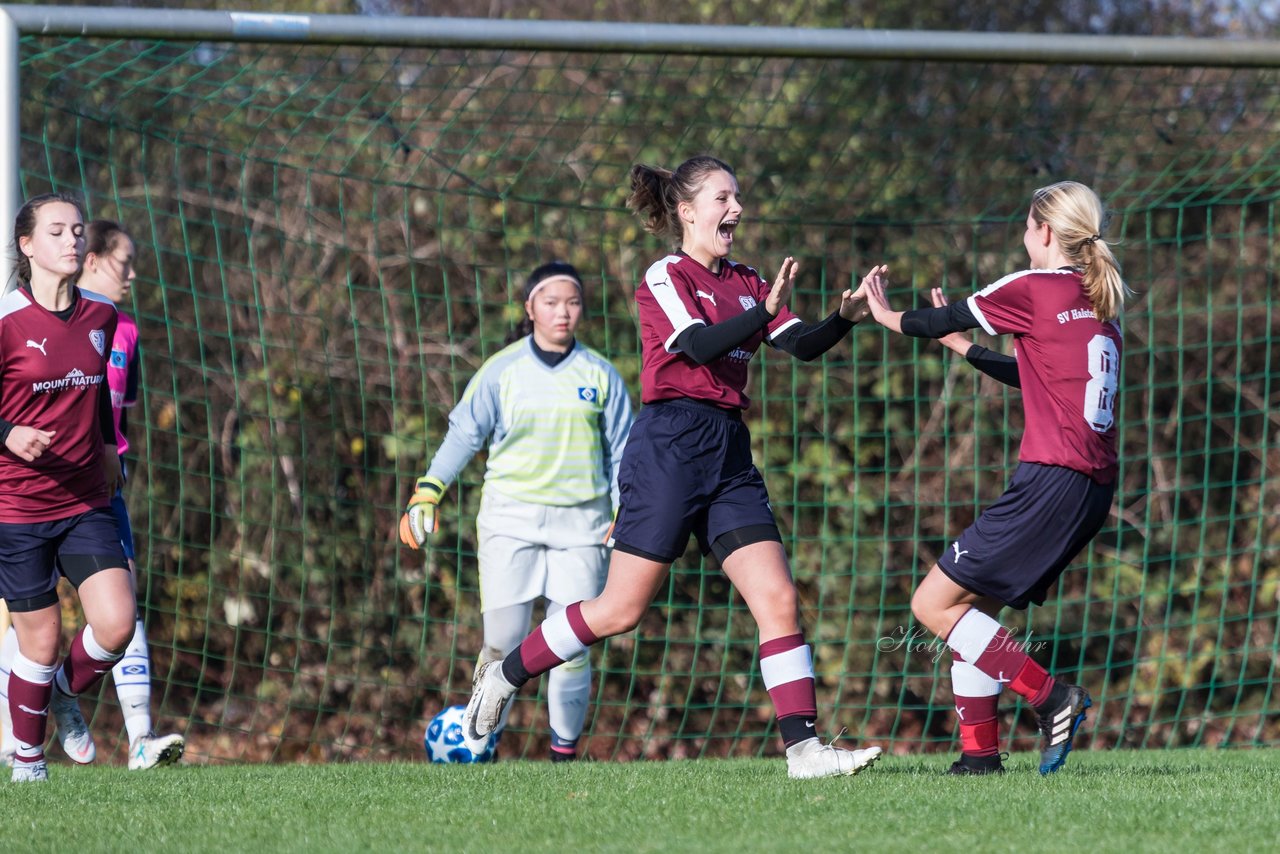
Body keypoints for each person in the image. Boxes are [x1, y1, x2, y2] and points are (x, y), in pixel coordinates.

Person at [458, 154, 882, 780]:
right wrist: (763, 313)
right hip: (669, 448)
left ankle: (805, 751)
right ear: (686, 211)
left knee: (778, 598)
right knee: (619, 611)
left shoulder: (747, 279)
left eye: (737, 198)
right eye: (721, 198)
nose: (735, 209)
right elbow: (696, 344)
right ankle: (504, 673)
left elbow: (802, 345)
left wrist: (842, 319)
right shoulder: (665, 276)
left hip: (729, 453)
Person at [861, 180, 1128, 775]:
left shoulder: (1033, 286)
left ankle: (1053, 697)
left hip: (1051, 480)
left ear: (1045, 233)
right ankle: (978, 759)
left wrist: (887, 315)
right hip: (1091, 489)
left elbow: (941, 316)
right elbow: (1039, 377)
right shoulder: (1098, 298)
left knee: (931, 605)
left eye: (1026, 226)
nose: (1022, 236)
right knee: (972, 612)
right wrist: (966, 350)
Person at [400, 261, 633, 761]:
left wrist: (625, 508)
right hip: (509, 522)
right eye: (551, 302)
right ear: (530, 308)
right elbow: (464, 434)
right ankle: (481, 749)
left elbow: (624, 451)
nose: (563, 312)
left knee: (571, 647)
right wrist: (428, 489)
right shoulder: (502, 369)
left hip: (583, 527)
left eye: (572, 302)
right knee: (502, 644)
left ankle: (562, 758)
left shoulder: (601, 375)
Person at [0, 193, 137, 783]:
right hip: (19, 507)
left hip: (85, 501)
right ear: (27, 246)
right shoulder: (6, 321)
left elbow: (97, 400)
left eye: (78, 230)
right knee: (41, 639)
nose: (73, 240)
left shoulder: (102, 317)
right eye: (57, 231)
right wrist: (7, 433)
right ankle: (28, 760)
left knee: (116, 625)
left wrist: (108, 445)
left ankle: (62, 694)